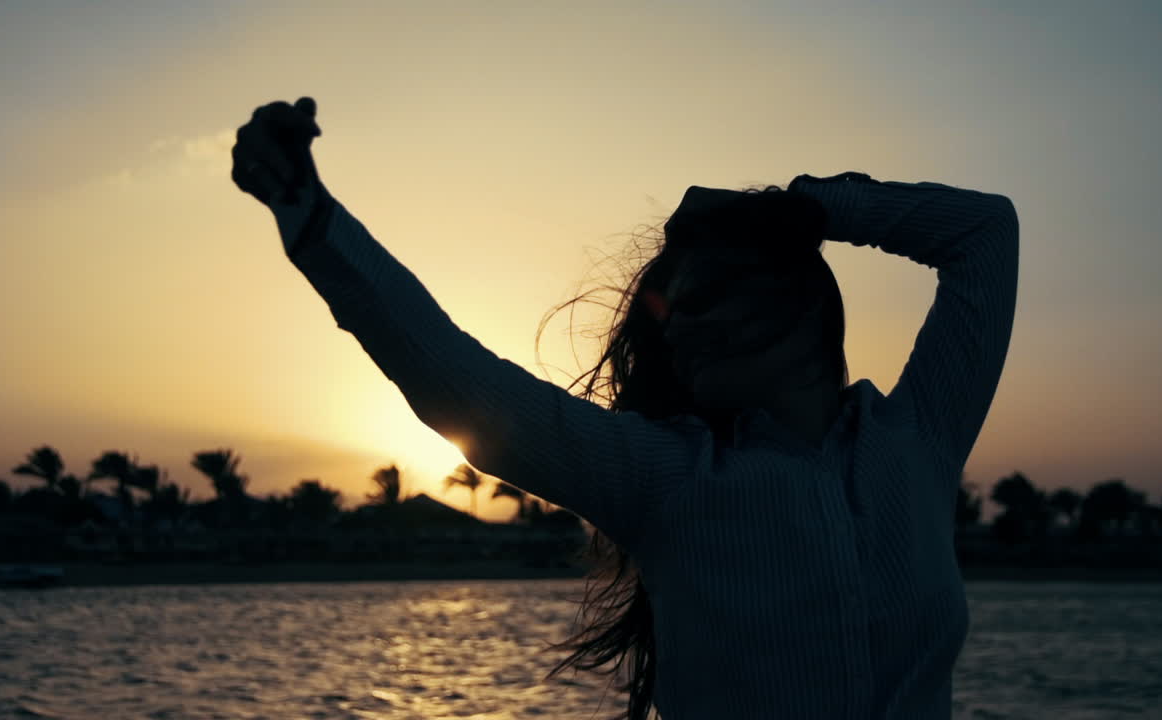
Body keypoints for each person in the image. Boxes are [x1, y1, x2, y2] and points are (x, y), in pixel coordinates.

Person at [231, 97, 1019, 720]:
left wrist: (803, 207)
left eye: (707, 295)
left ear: (800, 298)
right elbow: (459, 384)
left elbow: (985, 232)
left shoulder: (918, 440)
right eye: (668, 316)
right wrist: (311, 220)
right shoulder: (665, 476)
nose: (683, 330)